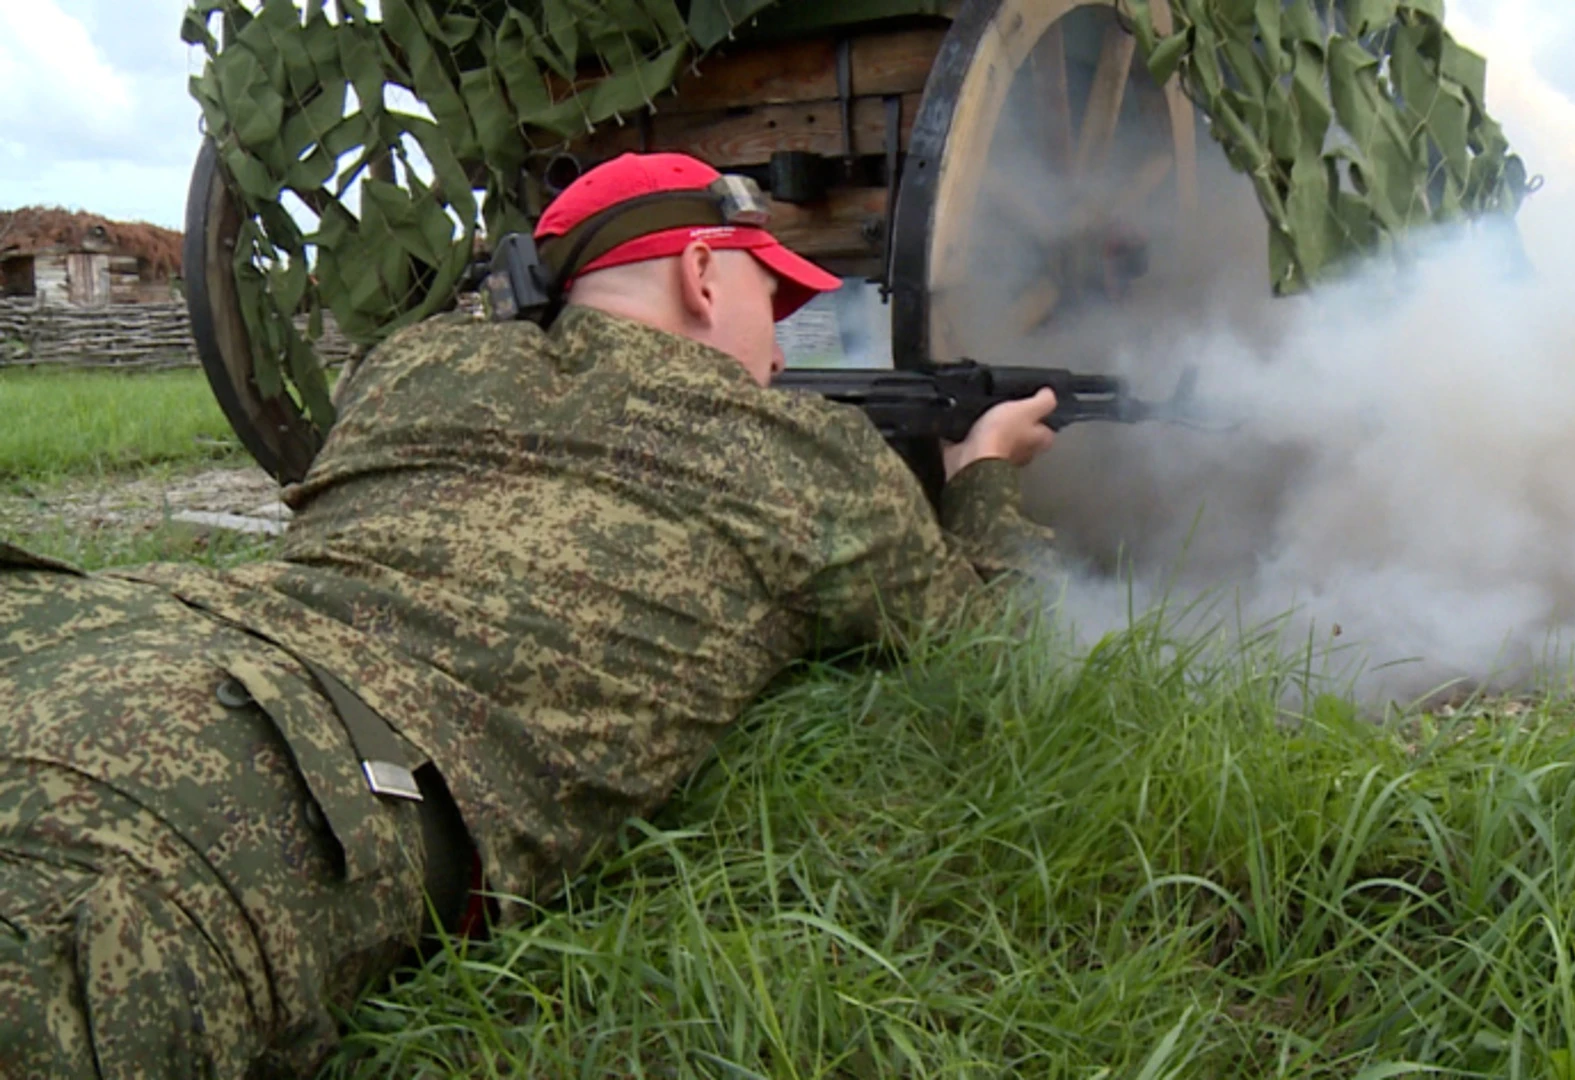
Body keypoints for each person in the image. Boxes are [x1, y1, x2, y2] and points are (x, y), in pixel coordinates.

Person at [0, 151, 1059, 1078]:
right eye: (770, 304)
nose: (783, 352)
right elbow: (996, 640)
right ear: (700, 274)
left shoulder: (412, 363)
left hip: (74, 631)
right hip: (245, 776)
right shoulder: (804, 454)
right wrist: (983, 473)